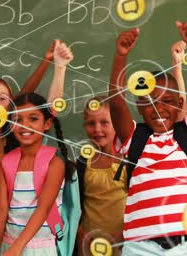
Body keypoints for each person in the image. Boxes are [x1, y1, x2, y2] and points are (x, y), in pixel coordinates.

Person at [108, 22, 187, 255]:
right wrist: (120, 56)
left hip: (186, 246)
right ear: (140, 107)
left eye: (168, 101)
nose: (159, 108)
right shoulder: (135, 138)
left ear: (180, 104)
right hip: (140, 248)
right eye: (150, 101)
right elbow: (116, 103)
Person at [0, 92, 75, 255]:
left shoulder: (54, 162)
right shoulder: (5, 162)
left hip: (41, 248)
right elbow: (0, 209)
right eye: (17, 120)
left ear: (47, 123)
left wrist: (18, 246)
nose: (24, 125)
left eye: (33, 119)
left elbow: (44, 208)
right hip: (8, 246)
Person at [76, 96, 127, 256]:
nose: (97, 129)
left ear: (116, 124)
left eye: (104, 122)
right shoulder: (83, 163)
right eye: (91, 123)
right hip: (89, 245)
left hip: (123, 244)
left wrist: (127, 232)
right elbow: (73, 205)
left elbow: (141, 204)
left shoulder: (129, 161)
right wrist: (79, 233)